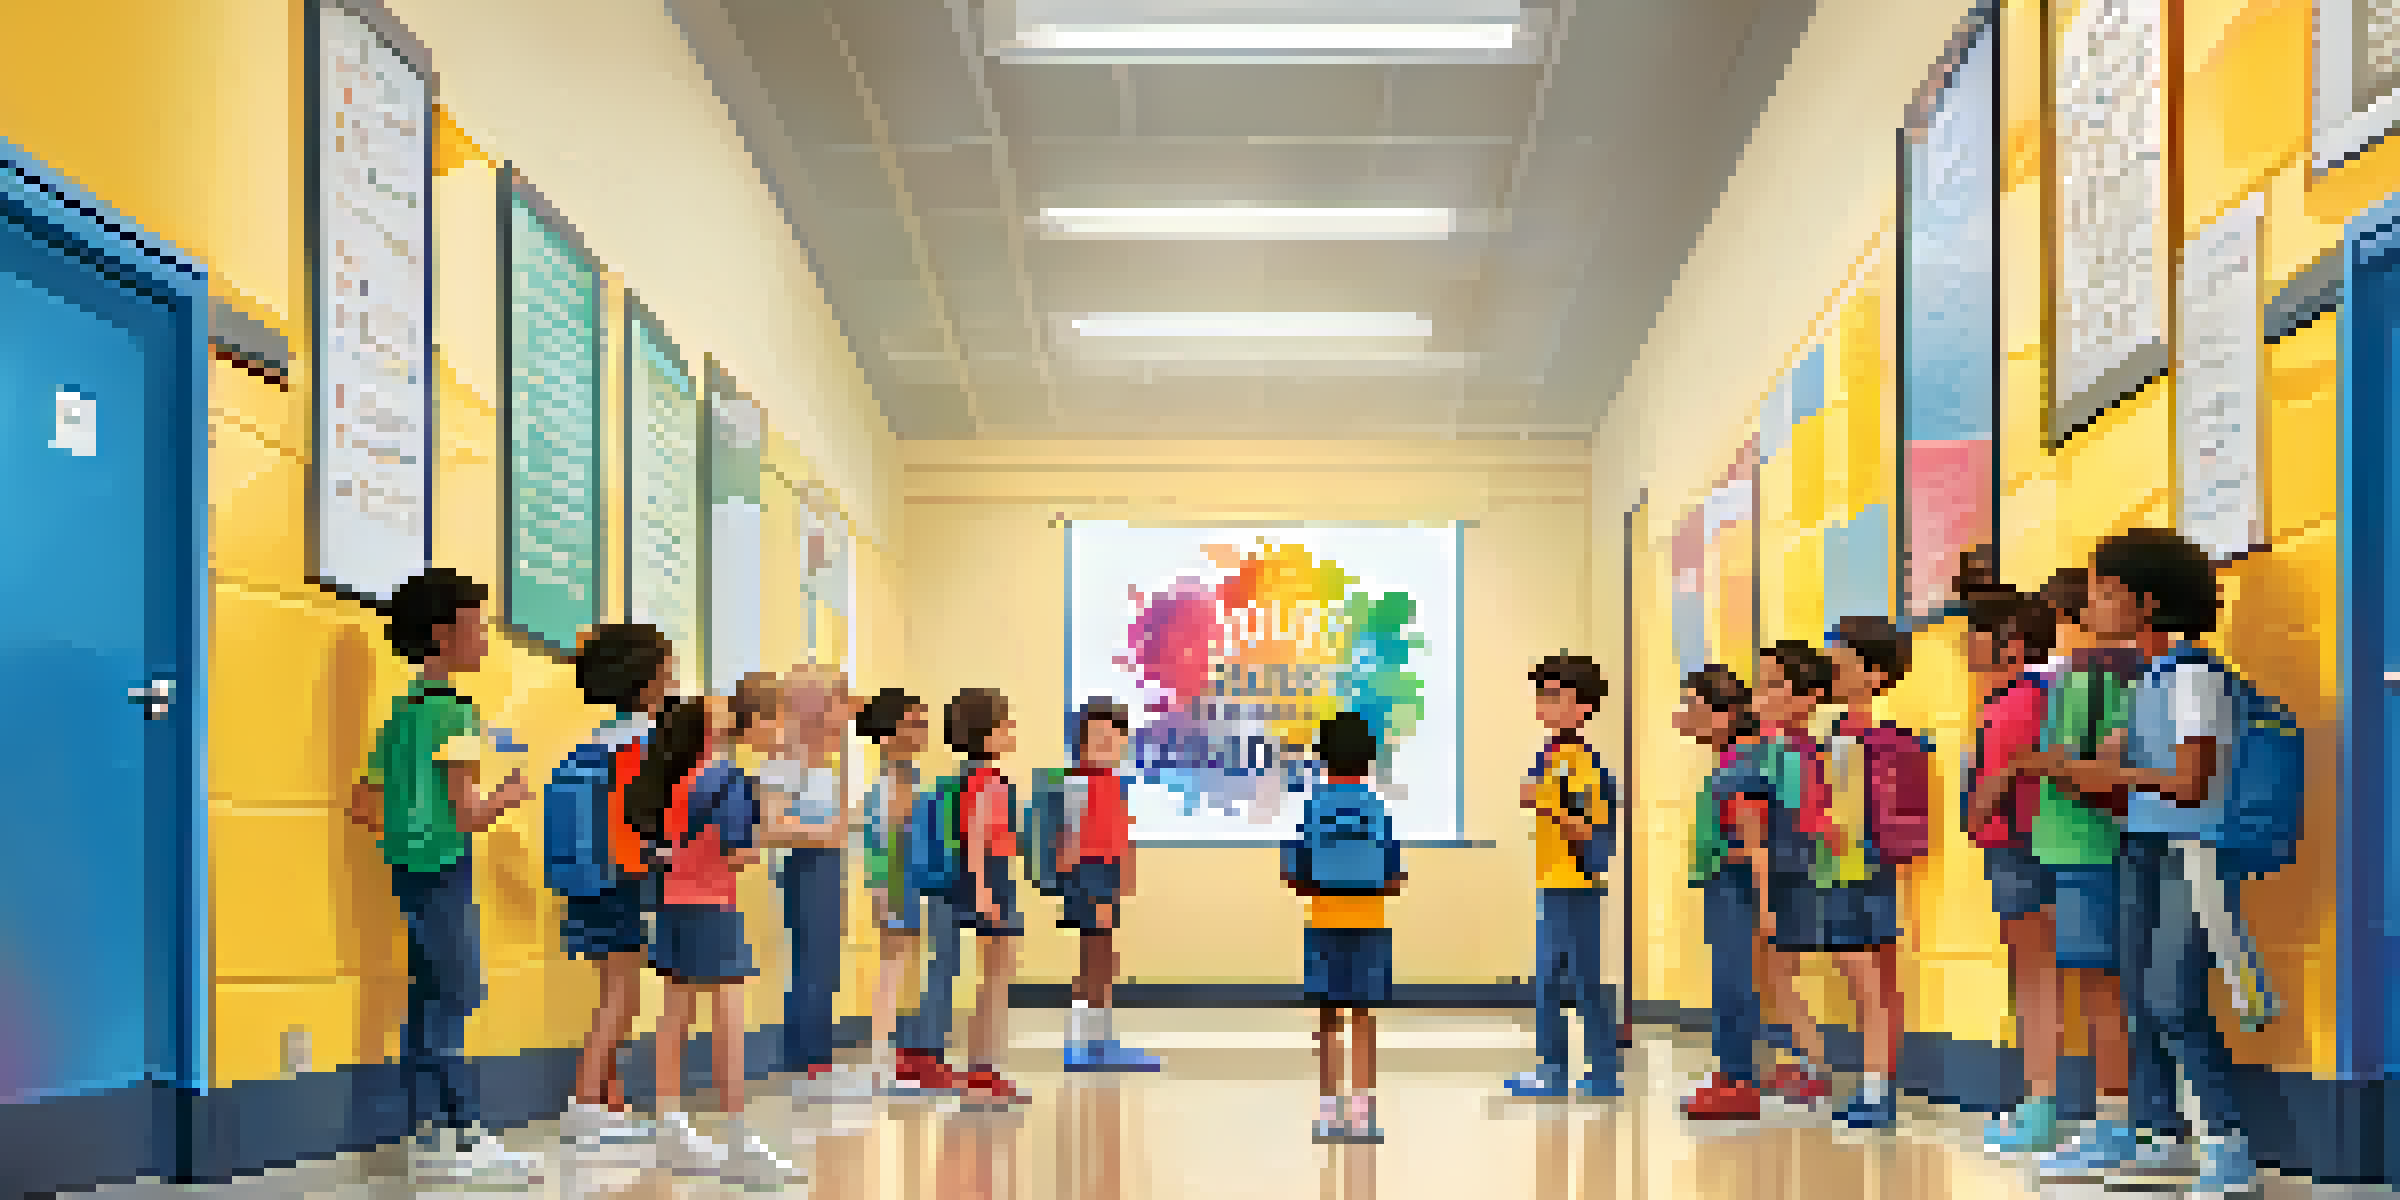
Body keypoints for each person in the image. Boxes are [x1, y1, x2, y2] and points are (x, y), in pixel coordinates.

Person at [2030, 529, 2257, 1193]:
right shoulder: (2156, 677)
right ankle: (2161, 1137)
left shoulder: (2190, 676)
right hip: (2146, 846)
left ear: (2147, 603)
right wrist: (2107, 764)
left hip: (2189, 850)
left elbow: (2191, 782)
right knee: (2140, 999)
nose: (2091, 605)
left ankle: (2226, 1143)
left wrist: (2119, 771)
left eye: (2104, 591)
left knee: (2173, 997)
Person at [347, 568, 543, 1188]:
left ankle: (427, 1133)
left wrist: (405, 834)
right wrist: (509, 794)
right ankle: (465, 1133)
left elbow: (362, 805)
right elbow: (468, 813)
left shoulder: (400, 717)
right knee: (456, 997)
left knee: (426, 995)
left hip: (407, 868)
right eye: (477, 627)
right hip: (446, 866)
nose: (484, 639)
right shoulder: (458, 715)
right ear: (441, 637)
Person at [636, 682, 798, 1186]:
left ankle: (670, 1125)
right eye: (775, 719)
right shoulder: (731, 781)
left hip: (672, 902)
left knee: (675, 1013)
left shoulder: (680, 777)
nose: (779, 729)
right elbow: (736, 853)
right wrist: (767, 824)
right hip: (712, 905)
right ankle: (737, 1138)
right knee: (729, 1017)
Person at [2022, 568, 2142, 1180]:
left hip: (2086, 847)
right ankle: (2120, 1118)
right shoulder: (2126, 673)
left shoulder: (2090, 677)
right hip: (2091, 846)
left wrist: (2036, 761)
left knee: (2103, 989)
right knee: (2109, 987)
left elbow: (2087, 768)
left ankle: (2116, 1121)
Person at [552, 623, 676, 1152]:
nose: (673, 684)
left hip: (590, 878)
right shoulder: (646, 744)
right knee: (622, 994)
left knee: (614, 989)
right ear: (646, 682)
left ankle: (609, 1098)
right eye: (668, 674)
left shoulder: (595, 742)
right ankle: (584, 1105)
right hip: (625, 880)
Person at [1962, 589, 2068, 1153]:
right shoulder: (2038, 694)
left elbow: (1995, 786)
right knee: (2039, 976)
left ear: (2011, 642)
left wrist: (1980, 805)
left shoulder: (2018, 701)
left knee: (2033, 980)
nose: (1967, 640)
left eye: (1978, 629)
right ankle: (2040, 1101)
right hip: (2034, 845)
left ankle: (2041, 1103)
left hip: (2022, 848)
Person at [1820, 617, 1928, 1129]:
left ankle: (1877, 1086)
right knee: (1870, 977)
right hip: (1848, 867)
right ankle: (1877, 1083)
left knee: (1871, 977)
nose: (1832, 674)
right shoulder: (1837, 733)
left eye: (1841, 664)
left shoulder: (1875, 738)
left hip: (1864, 868)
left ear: (1875, 674)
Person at [1283, 712, 1405, 1143]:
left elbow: (1293, 872)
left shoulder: (1313, 807)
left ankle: (1327, 1112)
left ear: (1322, 757)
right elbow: (1396, 875)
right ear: (1369, 759)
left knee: (1328, 1017)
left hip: (1325, 921)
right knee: (1362, 1017)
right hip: (1370, 922)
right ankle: (1364, 1114)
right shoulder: (1377, 808)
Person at [1504, 654, 1621, 1099]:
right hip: (1555, 880)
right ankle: (1565, 1069)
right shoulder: (1554, 754)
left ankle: (1588, 1070)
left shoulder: (1579, 763)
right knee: (1555, 978)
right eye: (1542, 695)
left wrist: (1544, 802)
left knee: (1576, 979)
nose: (1544, 704)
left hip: (1574, 883)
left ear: (1583, 706)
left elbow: (1588, 828)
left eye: (1555, 696)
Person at [1746, 641, 1848, 1110]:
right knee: (1771, 973)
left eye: (1772, 685)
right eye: (1760, 683)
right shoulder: (1789, 750)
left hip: (1787, 872)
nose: (1760, 695)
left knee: (1778, 972)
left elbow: (1789, 822)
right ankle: (1801, 1059)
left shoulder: (1788, 753)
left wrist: (1765, 895)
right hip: (1786, 869)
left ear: (1806, 698)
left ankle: (1814, 1065)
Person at [1674, 664, 1774, 1121]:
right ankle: (1729, 1076)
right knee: (1725, 983)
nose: (1684, 717)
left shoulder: (1742, 768)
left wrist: (1767, 908)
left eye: (1692, 706)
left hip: (1740, 894)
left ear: (1724, 715)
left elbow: (1756, 846)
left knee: (1735, 986)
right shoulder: (1732, 763)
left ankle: (1740, 1083)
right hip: (1726, 891)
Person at [758, 664, 859, 1092]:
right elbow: (770, 825)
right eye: (840, 700)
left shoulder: (823, 760)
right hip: (805, 866)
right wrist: (829, 833)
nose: (849, 711)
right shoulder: (786, 759)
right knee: (812, 965)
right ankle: (807, 1063)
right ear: (818, 706)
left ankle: (817, 1057)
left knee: (823, 964)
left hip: (825, 864)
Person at [857, 688, 960, 1095]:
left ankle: (902, 1056)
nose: (922, 731)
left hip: (914, 882)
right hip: (898, 884)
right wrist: (883, 891)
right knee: (893, 967)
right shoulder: (886, 785)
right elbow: (879, 842)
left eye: (923, 722)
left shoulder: (912, 778)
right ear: (889, 733)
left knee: (906, 965)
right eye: (913, 723)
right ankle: (882, 1061)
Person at [1059, 698, 1162, 1072]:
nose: (1108, 744)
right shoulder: (1078, 783)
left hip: (1105, 876)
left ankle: (1098, 1040)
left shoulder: (1115, 783)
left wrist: (1124, 873)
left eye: (1115, 736)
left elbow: (1122, 833)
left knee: (1103, 959)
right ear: (1081, 743)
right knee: (1093, 960)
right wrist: (1083, 887)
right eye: (1098, 737)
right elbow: (1069, 839)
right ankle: (1084, 1043)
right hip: (1089, 876)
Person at [949, 687, 1031, 1106]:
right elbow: (975, 841)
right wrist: (984, 894)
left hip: (995, 881)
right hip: (991, 884)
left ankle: (983, 1070)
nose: (1011, 731)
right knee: (995, 980)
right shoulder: (984, 781)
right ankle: (983, 1071)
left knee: (995, 980)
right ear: (987, 732)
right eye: (1005, 723)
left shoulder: (983, 779)